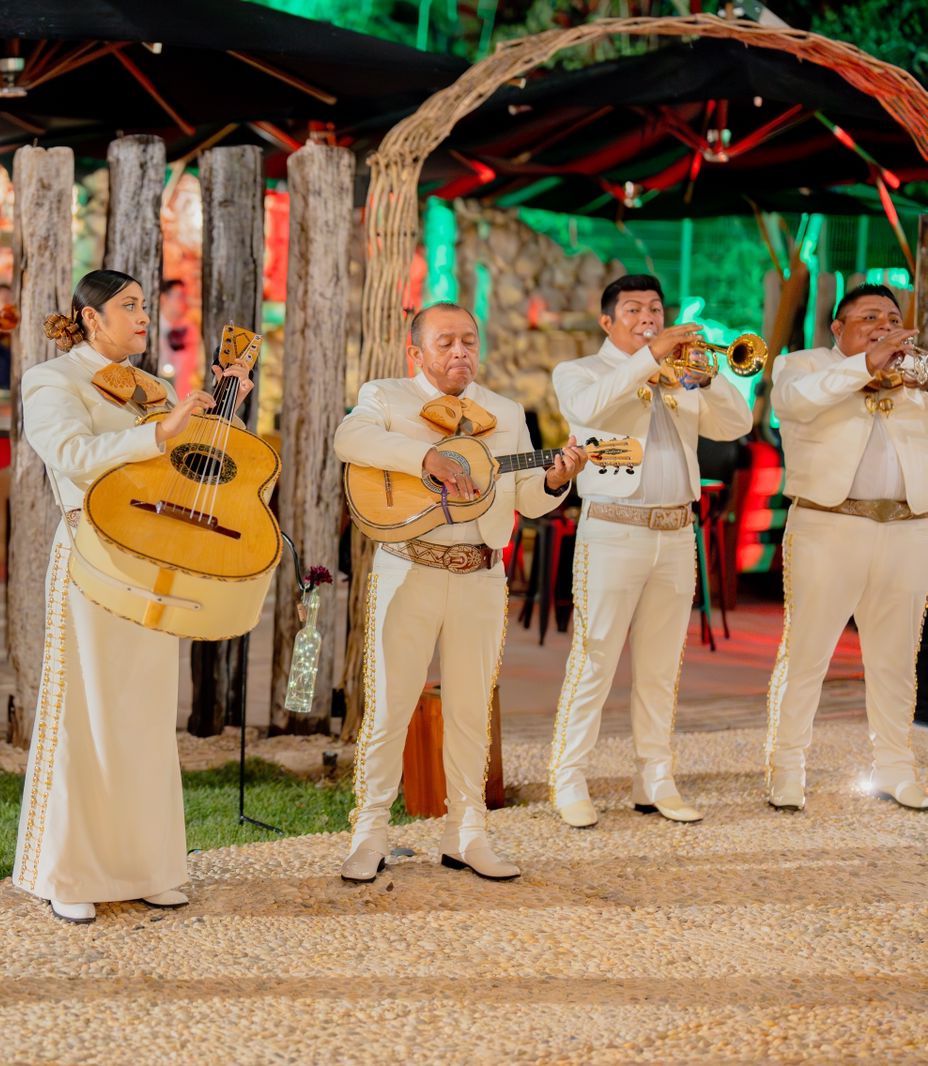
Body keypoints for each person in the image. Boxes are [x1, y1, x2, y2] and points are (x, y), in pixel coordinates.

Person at [13, 268, 251, 923]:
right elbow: (68, 450)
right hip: (91, 551)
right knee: (84, 710)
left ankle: (151, 866)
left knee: (146, 713)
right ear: (91, 317)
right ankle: (70, 873)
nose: (144, 316)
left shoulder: (153, 387)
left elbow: (189, 466)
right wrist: (159, 431)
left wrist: (226, 407)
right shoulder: (51, 379)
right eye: (130, 306)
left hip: (155, 558)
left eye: (146, 306)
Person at [336, 302, 586, 883]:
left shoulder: (503, 410)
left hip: (480, 574)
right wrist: (425, 456)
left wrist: (557, 477)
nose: (459, 352)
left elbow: (527, 495)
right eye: (445, 342)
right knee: (391, 704)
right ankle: (369, 831)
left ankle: (466, 832)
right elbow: (350, 438)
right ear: (415, 350)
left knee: (472, 708)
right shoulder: (387, 395)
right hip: (407, 568)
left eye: (469, 341)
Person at [547, 275, 752, 828]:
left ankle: (654, 777)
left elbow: (739, 424)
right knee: (595, 659)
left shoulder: (681, 377)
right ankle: (568, 778)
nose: (648, 317)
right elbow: (589, 408)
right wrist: (649, 358)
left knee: (663, 667)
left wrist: (706, 381)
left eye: (656, 309)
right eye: (633, 309)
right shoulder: (582, 372)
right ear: (607, 322)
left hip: (676, 532)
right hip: (612, 530)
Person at [765, 284, 928, 811]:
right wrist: (866, 364)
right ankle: (786, 768)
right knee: (807, 654)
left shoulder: (916, 371)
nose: (884, 324)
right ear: (838, 328)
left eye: (893, 317)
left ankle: (896, 768)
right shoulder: (803, 366)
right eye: (869, 317)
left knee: (896, 660)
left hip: (908, 529)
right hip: (828, 526)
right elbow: (791, 404)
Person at [158, 277, 201, 397]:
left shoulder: (187, 329)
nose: (184, 301)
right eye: (179, 296)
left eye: (185, 296)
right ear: (164, 298)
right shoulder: (151, 328)